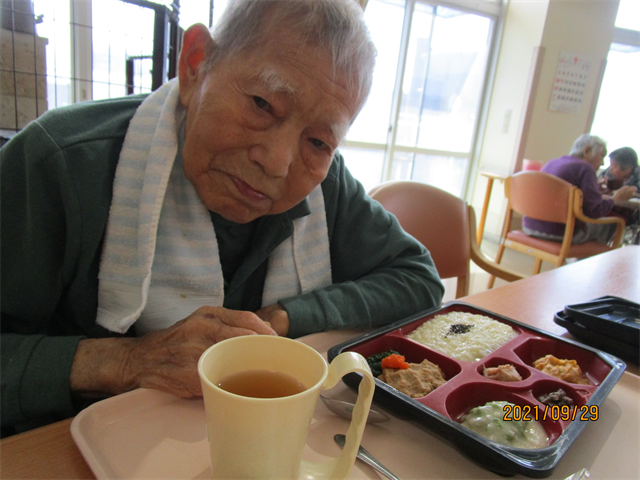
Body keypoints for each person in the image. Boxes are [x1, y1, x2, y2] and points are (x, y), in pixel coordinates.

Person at [0, 0, 444, 436]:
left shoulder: (326, 186)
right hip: (75, 448)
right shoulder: (59, 164)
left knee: (511, 417)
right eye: (262, 104)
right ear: (195, 64)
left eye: (319, 142)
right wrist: (126, 359)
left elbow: (418, 278)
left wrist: (289, 315)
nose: (276, 162)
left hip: (253, 443)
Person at [522, 134, 638, 244]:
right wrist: (616, 199)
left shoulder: (552, 162)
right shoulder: (585, 168)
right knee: (613, 223)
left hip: (530, 226)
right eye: (601, 156)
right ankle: (587, 262)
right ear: (586, 151)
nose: (602, 163)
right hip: (558, 232)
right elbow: (595, 211)